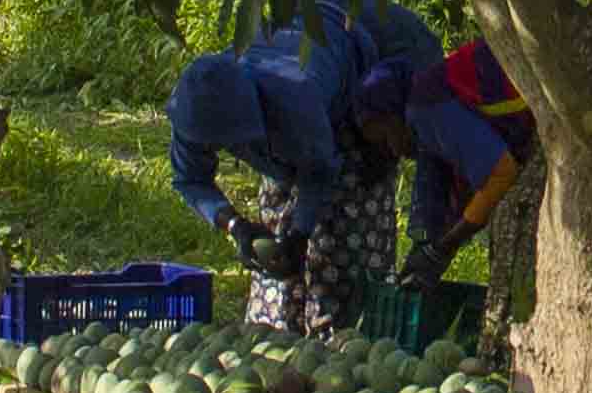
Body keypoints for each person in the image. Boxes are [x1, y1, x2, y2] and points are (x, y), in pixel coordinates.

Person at [168, 24, 386, 334]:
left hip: (348, 101)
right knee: (276, 263)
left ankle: (336, 338)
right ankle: (282, 337)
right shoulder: (194, 107)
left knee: (338, 251)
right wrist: (236, 226)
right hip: (281, 124)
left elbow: (320, 172)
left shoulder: (297, 96)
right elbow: (190, 178)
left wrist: (301, 233)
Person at [397, 35, 534, 301]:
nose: (396, 153)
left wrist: (441, 249)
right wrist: (438, 249)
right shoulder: (437, 119)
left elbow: (501, 174)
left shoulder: (431, 110)